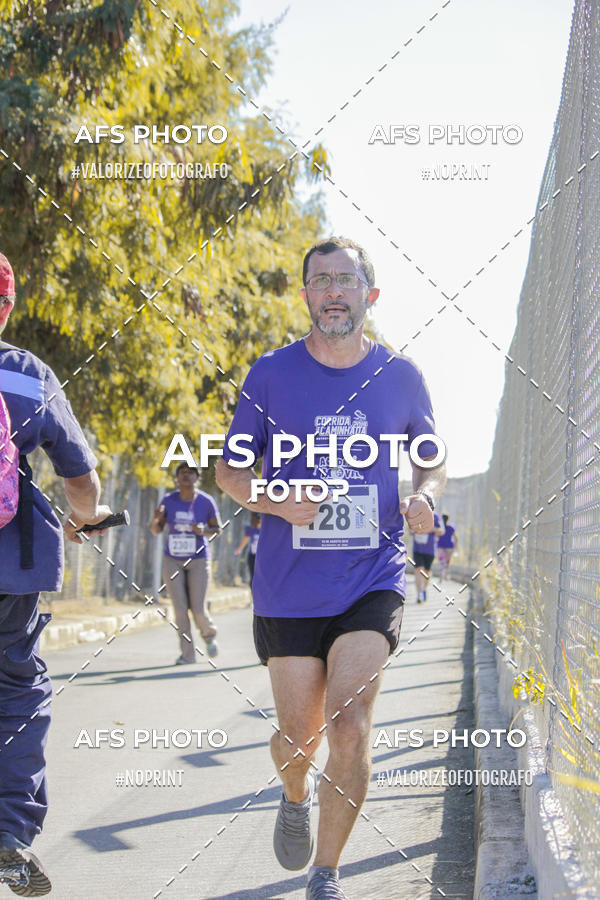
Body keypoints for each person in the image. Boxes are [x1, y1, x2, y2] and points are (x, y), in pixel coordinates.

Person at [215, 236, 446, 900]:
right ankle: (294, 794)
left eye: (347, 280)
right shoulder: (269, 375)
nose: (335, 292)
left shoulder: (402, 377)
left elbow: (430, 454)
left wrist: (425, 493)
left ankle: (327, 872)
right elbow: (230, 469)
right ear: (306, 295)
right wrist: (276, 502)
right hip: (288, 587)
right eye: (322, 281)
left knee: (349, 725)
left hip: (372, 578)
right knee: (298, 739)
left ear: (370, 295)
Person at [0, 252, 111, 895]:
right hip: (11, 569)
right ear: (8, 309)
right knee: (18, 692)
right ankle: (9, 830)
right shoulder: (26, 375)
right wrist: (87, 516)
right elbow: (82, 477)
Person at [150, 463, 221, 663]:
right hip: (172, 559)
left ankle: (209, 635)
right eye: (182, 472)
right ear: (176, 478)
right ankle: (187, 654)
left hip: (198, 559)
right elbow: (156, 530)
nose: (186, 476)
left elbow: (218, 530)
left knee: (197, 608)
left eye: (191, 473)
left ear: (197, 478)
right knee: (180, 609)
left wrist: (203, 531)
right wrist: (156, 520)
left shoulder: (206, 502)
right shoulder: (168, 500)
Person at [412, 511, 444, 603]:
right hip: (417, 549)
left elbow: (442, 531)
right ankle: (419, 594)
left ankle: (424, 588)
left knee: (426, 573)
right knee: (418, 570)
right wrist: (414, 529)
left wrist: (430, 529)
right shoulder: (415, 514)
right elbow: (410, 530)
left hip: (430, 550)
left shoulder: (435, 516)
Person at [234, 512, 261, 583]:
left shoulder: (265, 530)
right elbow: (246, 539)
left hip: (262, 556)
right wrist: (239, 549)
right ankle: (253, 592)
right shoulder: (251, 529)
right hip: (252, 555)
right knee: (253, 575)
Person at [436, 513, 458, 580]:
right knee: (448, 561)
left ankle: (441, 572)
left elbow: (436, 536)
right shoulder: (451, 528)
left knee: (441, 560)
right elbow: (456, 537)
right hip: (449, 546)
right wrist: (456, 545)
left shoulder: (439, 527)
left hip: (440, 545)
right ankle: (446, 574)